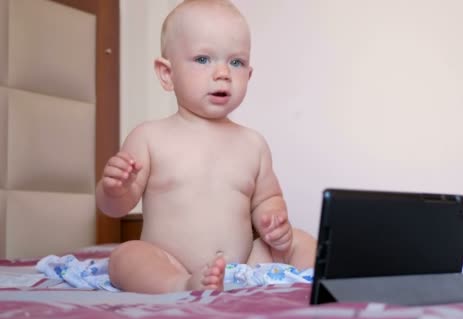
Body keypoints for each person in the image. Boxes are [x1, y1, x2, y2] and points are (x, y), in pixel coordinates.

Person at [96, 0, 316, 294]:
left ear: (248, 75)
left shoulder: (253, 144)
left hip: (242, 267)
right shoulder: (149, 137)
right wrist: (114, 190)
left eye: (235, 62)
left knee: (302, 241)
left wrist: (274, 222)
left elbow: (268, 198)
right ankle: (179, 285)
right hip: (169, 263)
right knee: (125, 257)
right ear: (167, 73)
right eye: (203, 59)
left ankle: (322, 280)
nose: (223, 72)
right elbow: (116, 207)